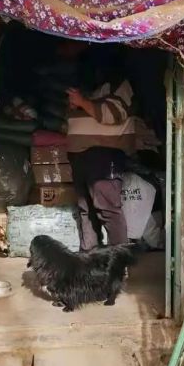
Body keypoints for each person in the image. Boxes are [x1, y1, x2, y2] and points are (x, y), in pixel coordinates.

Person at [61, 42, 137, 252]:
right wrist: (74, 105)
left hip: (104, 152)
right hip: (79, 153)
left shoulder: (120, 85)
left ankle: (118, 260)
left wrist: (82, 102)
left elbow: (113, 114)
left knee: (108, 208)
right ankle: (89, 255)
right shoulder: (89, 90)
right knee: (85, 209)